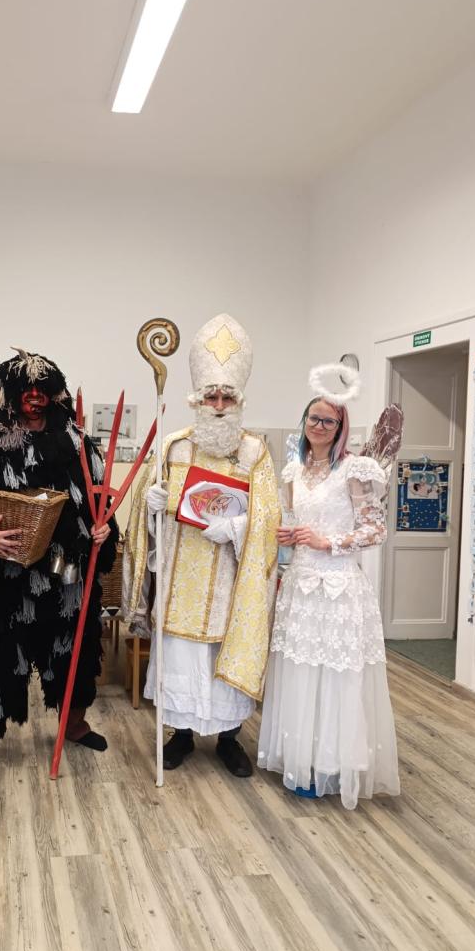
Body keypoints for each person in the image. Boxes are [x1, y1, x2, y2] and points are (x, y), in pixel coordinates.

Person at [0, 348, 118, 776]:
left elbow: (100, 500)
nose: (35, 397)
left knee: (73, 649)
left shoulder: (78, 445)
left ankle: (74, 722)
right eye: (26, 389)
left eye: (43, 389)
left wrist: (104, 530)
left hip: (65, 573)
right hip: (6, 575)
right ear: (9, 396)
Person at [123, 314, 280, 776]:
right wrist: (150, 505)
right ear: (196, 399)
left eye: (227, 397)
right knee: (183, 660)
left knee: (220, 658)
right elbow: (144, 513)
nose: (218, 404)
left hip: (231, 577)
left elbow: (269, 516)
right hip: (180, 577)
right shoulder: (174, 446)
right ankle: (182, 736)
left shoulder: (255, 451)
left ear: (239, 401)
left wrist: (235, 528)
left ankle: (229, 740)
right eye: (211, 396)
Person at [257, 367, 400, 809]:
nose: (319, 426)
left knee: (335, 674)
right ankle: (301, 761)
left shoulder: (354, 470)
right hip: (300, 586)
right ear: (304, 422)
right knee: (301, 671)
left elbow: (375, 531)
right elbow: (295, 521)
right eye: (314, 418)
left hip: (339, 587)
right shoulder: (293, 470)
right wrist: (289, 534)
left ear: (341, 428)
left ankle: (333, 765)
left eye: (329, 421)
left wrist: (329, 542)